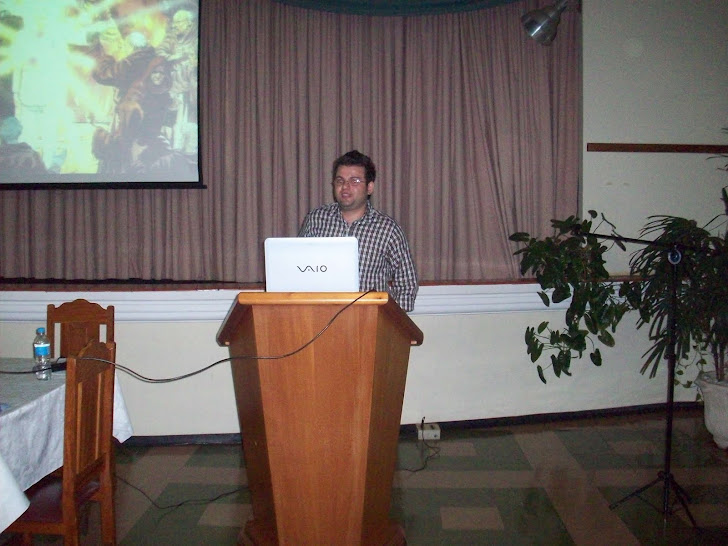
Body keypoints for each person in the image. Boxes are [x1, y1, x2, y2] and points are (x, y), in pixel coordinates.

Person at [298, 150, 419, 311]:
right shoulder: (315, 220)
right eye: (340, 180)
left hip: (369, 324)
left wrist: (386, 318)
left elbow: (407, 285)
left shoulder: (388, 230)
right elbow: (298, 269)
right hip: (320, 320)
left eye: (354, 181)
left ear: (369, 187)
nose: (345, 187)